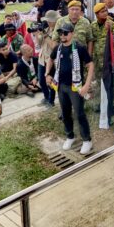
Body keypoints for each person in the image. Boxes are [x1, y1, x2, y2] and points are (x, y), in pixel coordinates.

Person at [46, 21, 94, 155]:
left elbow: (90, 65)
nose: (62, 36)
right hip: (61, 86)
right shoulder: (58, 48)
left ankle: (87, 140)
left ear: (72, 33)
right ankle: (70, 136)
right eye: (60, 33)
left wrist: (86, 85)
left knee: (79, 113)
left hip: (76, 86)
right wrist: (47, 74)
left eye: (65, 33)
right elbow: (50, 59)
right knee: (65, 113)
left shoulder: (79, 47)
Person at [91, 3, 114, 128]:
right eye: (102, 12)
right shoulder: (93, 26)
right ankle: (100, 105)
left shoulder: (112, 24)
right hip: (98, 61)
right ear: (96, 14)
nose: (105, 13)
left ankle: (110, 110)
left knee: (110, 87)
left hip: (109, 62)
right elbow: (92, 41)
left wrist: (109, 29)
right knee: (99, 85)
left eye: (106, 11)